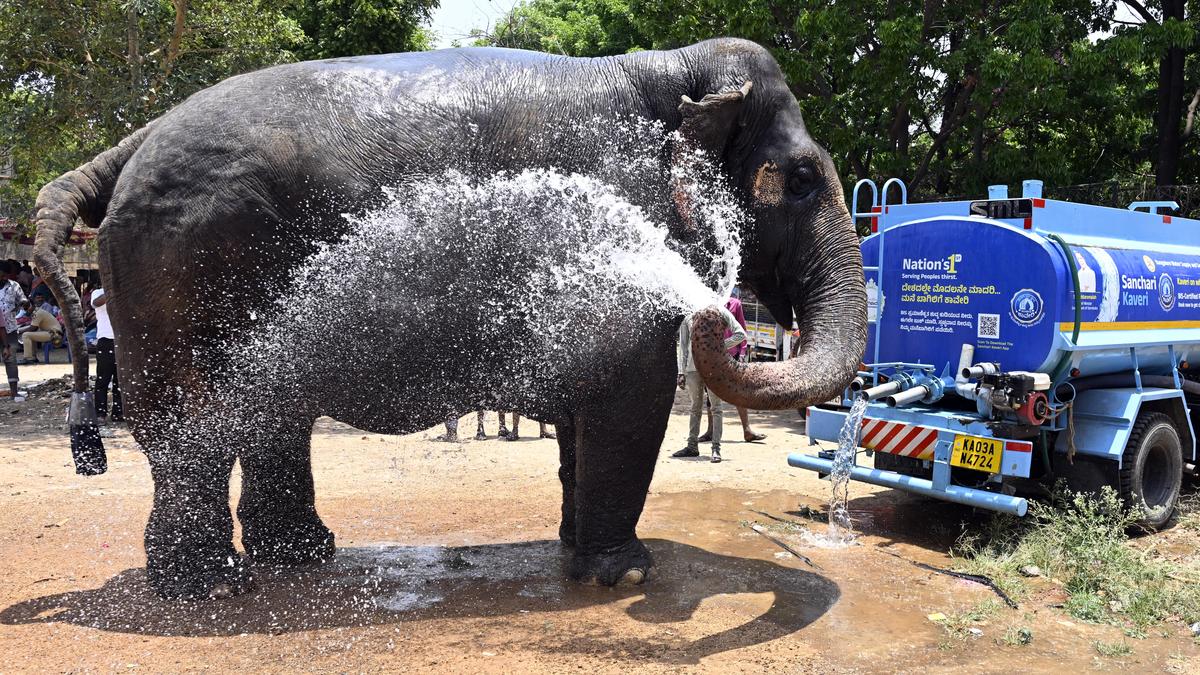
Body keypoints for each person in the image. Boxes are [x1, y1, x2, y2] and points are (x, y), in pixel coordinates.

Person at [674, 303, 747, 463]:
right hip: (693, 369)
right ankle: (692, 446)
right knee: (695, 408)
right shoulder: (689, 314)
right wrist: (681, 371)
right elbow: (683, 346)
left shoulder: (720, 312)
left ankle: (716, 449)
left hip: (714, 368)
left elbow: (740, 334)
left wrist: (718, 346)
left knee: (716, 408)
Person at [698, 290, 767, 443]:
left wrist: (742, 352)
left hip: (732, 354)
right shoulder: (706, 304)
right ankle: (710, 431)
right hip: (711, 356)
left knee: (738, 390)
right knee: (710, 393)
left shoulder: (735, 304)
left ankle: (747, 430)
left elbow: (741, 329)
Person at [91, 286, 122, 422]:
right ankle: (100, 413)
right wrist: (111, 290)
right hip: (106, 340)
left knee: (119, 379)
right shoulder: (98, 293)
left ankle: (118, 412)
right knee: (103, 379)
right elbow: (97, 303)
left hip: (121, 340)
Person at [0, 261, 27, 401]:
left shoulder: (14, 286)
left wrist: (26, 304)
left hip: (9, 327)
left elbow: (22, 300)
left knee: (10, 359)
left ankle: (14, 392)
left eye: (6, 275)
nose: (4, 277)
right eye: (2, 275)